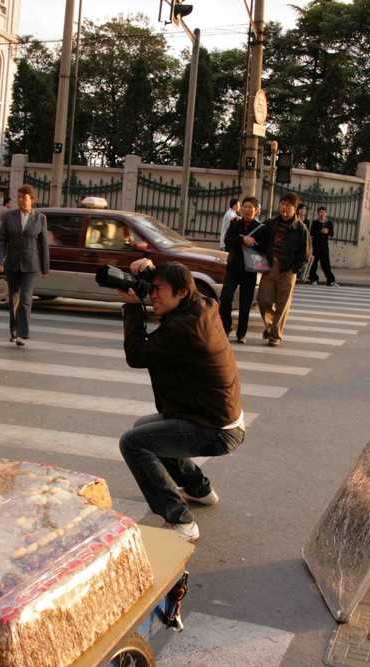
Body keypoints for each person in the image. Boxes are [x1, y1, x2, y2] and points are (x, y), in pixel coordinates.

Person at [118, 260, 245, 543]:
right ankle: (199, 490)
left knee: (133, 442)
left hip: (215, 430)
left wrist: (132, 308)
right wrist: (156, 270)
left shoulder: (184, 327)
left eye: (158, 289)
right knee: (144, 428)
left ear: (182, 293)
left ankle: (181, 520)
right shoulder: (205, 307)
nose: (152, 295)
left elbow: (137, 355)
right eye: (151, 289)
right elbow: (185, 288)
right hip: (218, 419)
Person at [0, 184, 49, 347]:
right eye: (18, 198)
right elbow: (1, 239)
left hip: (31, 265)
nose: (20, 201)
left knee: (25, 298)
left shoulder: (40, 218)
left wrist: (45, 267)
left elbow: (44, 244)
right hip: (12, 263)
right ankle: (13, 330)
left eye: (23, 198)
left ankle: (22, 334)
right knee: (14, 298)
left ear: (32, 199)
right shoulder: (9, 217)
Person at [255, 192, 309, 347]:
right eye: (282, 204)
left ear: (296, 208)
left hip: (288, 270)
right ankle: (271, 326)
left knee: (282, 304)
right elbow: (258, 236)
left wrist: (294, 269)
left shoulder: (300, 229)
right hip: (270, 267)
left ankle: (275, 335)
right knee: (263, 300)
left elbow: (305, 254)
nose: (284, 208)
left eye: (288, 205)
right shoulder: (271, 223)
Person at [219, 196, 267, 344]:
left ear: (256, 210)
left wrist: (252, 243)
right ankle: (226, 327)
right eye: (244, 206)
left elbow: (265, 248)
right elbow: (227, 240)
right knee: (225, 298)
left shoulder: (261, 228)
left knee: (245, 303)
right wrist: (242, 239)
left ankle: (241, 333)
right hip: (233, 267)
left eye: (250, 207)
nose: (246, 209)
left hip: (249, 270)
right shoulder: (236, 223)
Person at [307, 205, 339, 286]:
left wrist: (327, 232)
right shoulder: (315, 222)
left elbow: (332, 233)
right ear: (318, 213)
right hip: (315, 246)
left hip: (324, 247)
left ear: (326, 213)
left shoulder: (329, 223)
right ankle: (313, 279)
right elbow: (312, 233)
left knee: (326, 264)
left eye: (324, 212)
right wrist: (320, 231)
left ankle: (331, 280)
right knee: (313, 264)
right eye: (321, 212)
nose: (322, 214)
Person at [295, 203, 313, 283]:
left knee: (301, 258)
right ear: (298, 210)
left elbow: (308, 232)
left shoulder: (307, 221)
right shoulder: (295, 218)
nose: (303, 211)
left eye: (304, 209)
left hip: (303, 241)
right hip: (295, 241)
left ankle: (299, 276)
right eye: (301, 209)